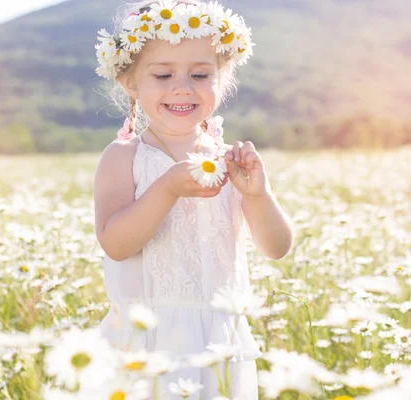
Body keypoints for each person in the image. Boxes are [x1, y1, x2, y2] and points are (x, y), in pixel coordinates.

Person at [92, 1, 294, 398]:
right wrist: (166, 188)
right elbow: (116, 244)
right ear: (130, 83)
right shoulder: (124, 156)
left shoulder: (228, 161)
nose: (183, 87)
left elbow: (277, 248)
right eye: (163, 74)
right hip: (146, 345)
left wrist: (259, 194)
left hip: (221, 344)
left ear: (222, 78)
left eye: (201, 74)